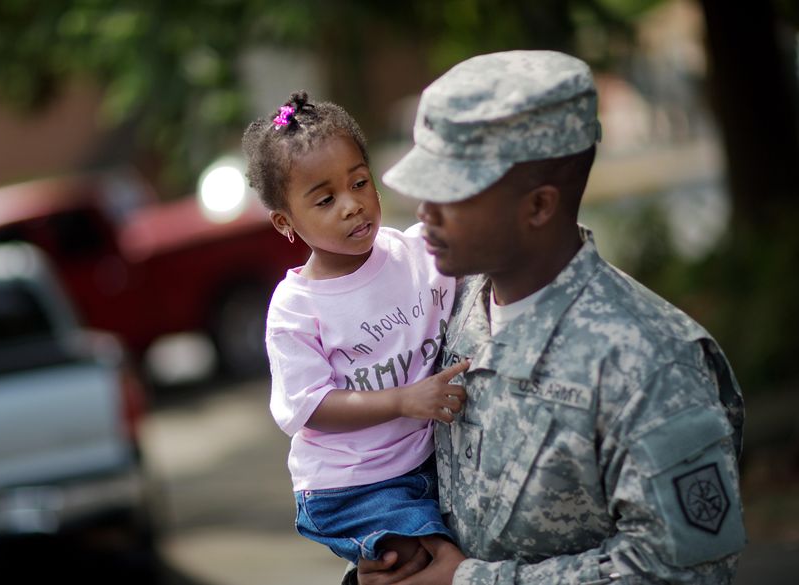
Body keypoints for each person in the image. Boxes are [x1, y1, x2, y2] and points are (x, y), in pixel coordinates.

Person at [348, 50, 746, 584]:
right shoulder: (448, 308)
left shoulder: (653, 360)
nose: (424, 210)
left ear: (538, 206)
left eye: (453, 193)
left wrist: (468, 581)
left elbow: (683, 571)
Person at [242, 91, 470, 568]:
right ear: (285, 222)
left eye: (360, 182)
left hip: (422, 461)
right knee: (435, 561)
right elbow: (311, 405)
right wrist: (402, 400)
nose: (352, 206)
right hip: (352, 485)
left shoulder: (415, 254)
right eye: (325, 199)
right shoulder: (297, 308)